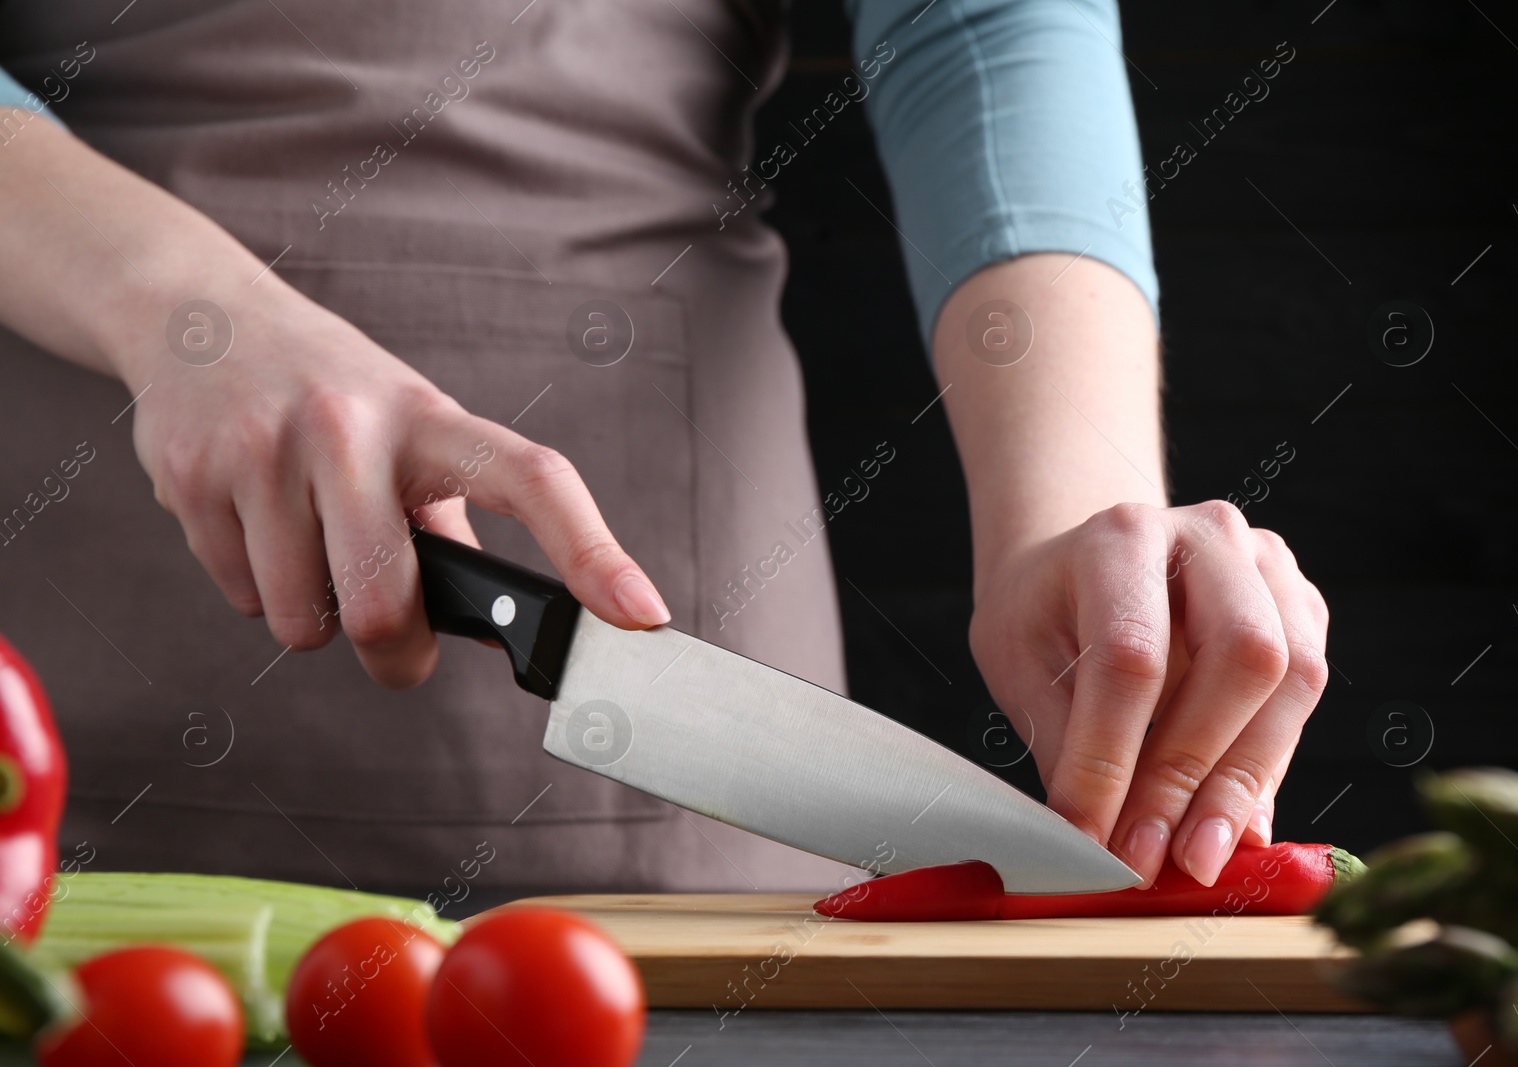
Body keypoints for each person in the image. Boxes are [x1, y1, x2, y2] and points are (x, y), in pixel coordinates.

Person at [0, 0, 1327, 902]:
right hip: (72, 655)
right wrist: (182, 315)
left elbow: (980, 17)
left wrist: (1080, 519)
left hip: (684, 661)